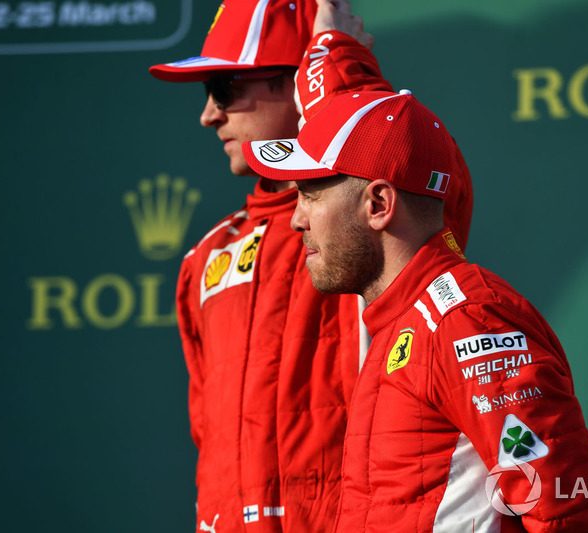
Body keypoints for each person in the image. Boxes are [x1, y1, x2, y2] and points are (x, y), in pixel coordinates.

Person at [242, 90, 588, 531]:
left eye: (310, 195)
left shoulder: (465, 320)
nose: (296, 219)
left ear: (378, 206)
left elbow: (571, 512)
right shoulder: (402, 323)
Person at [147, 0, 404, 531]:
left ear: (294, 82)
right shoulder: (206, 256)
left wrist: (338, 62)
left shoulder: (372, 211)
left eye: (224, 89)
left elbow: (395, 164)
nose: (209, 114)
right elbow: (208, 439)